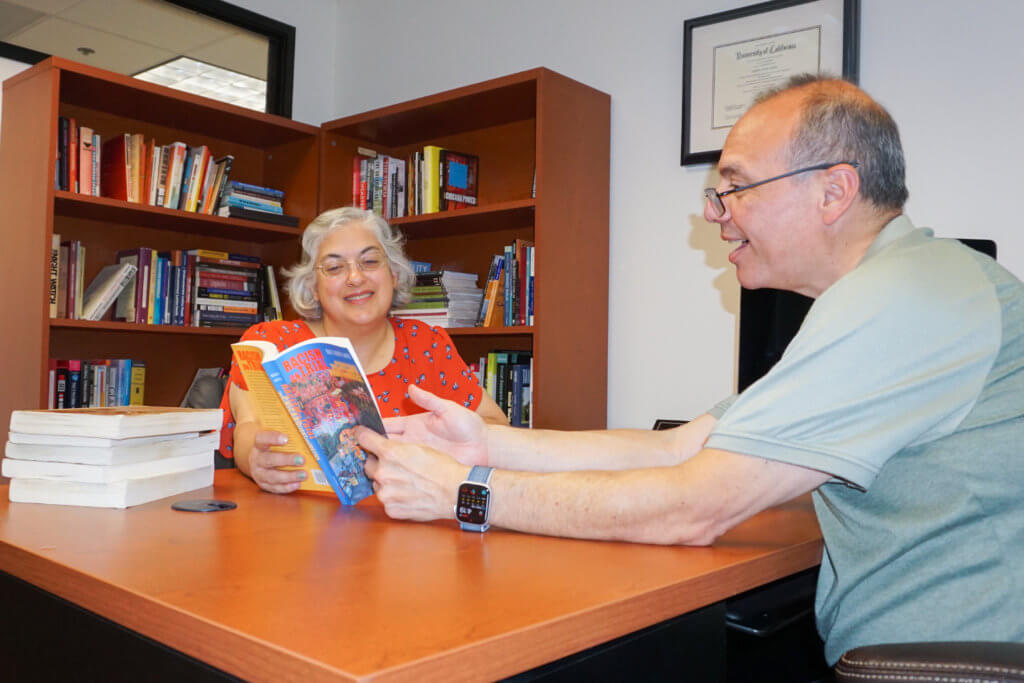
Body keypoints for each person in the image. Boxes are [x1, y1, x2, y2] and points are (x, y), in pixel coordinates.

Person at [355, 76, 1024, 664]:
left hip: (941, 663)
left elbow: (691, 508)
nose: (714, 215)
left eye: (734, 188)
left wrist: (465, 491)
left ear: (834, 190)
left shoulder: (898, 302)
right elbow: (682, 443)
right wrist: (490, 442)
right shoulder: (909, 287)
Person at [220, 206, 507, 494]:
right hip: (300, 519)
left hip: (415, 517)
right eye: (334, 267)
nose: (355, 277)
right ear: (313, 286)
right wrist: (254, 460)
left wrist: (435, 445)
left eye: (369, 261)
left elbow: (497, 426)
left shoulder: (426, 343)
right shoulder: (269, 341)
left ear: (394, 274)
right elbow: (248, 428)